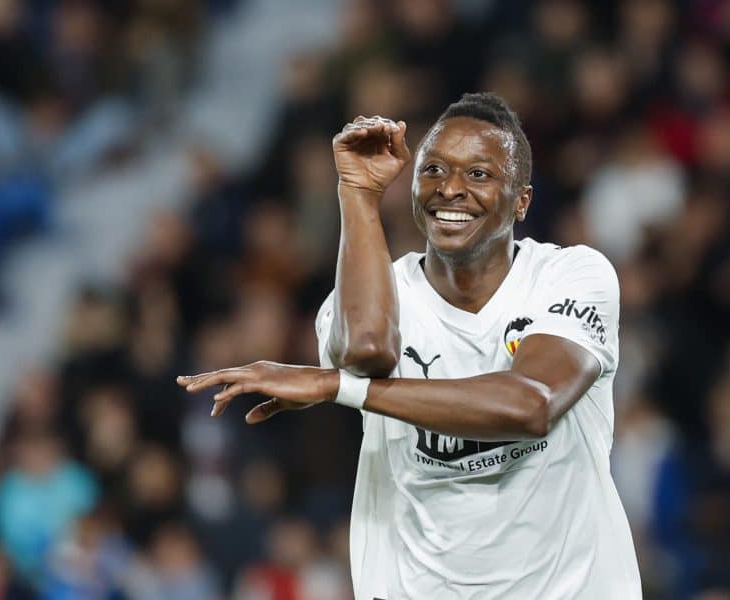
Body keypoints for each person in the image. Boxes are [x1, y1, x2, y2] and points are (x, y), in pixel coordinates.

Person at [177, 92, 642, 598]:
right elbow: (366, 353)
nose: (452, 189)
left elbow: (531, 403)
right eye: (435, 170)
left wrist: (339, 388)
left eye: (479, 174)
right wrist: (357, 191)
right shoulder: (370, 294)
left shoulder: (571, 276)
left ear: (523, 200)